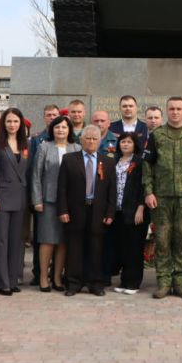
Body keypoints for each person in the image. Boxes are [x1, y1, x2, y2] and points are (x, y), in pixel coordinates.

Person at [143, 96, 182, 299]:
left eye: (179, 108)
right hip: (161, 197)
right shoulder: (157, 135)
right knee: (162, 240)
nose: (175, 112)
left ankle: (180, 281)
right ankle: (163, 281)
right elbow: (147, 165)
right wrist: (149, 192)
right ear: (166, 111)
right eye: (172, 109)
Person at [57, 125, 116, 296]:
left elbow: (112, 190)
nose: (91, 141)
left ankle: (95, 283)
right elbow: (62, 188)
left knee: (96, 248)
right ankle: (73, 283)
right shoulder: (69, 159)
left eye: (94, 139)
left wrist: (110, 213)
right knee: (74, 248)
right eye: (87, 138)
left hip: (98, 211)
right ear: (81, 140)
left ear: (100, 141)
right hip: (75, 210)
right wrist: (63, 210)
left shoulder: (108, 161)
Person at [32, 115, 80, 292]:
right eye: (57, 127)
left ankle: (58, 277)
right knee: (47, 240)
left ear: (69, 130)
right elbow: (36, 176)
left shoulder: (76, 148)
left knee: (62, 241)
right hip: (49, 201)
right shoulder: (44, 147)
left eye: (64, 127)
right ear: (52, 129)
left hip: (70, 202)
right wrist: (37, 199)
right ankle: (44, 277)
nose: (61, 130)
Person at [0, 107, 29, 295]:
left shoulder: (25, 144)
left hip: (20, 198)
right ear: (4, 123)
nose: (12, 125)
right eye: (9, 121)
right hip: (1, 198)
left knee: (16, 241)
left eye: (16, 121)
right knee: (1, 240)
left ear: (21, 124)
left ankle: (12, 279)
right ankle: (1, 282)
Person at [109, 132, 147, 294]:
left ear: (135, 145)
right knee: (122, 246)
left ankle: (133, 282)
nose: (125, 144)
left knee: (134, 247)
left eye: (128, 142)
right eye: (122, 142)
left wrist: (141, 207)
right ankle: (124, 281)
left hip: (134, 210)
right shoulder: (115, 161)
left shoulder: (139, 162)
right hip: (118, 210)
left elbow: (144, 186)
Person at [27, 104, 60, 286]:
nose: (52, 117)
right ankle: (38, 273)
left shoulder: (72, 143)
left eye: (55, 115)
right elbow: (33, 171)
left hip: (62, 199)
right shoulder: (38, 140)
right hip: (43, 197)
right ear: (44, 117)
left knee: (59, 240)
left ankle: (56, 274)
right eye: (48, 115)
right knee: (42, 237)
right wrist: (35, 198)